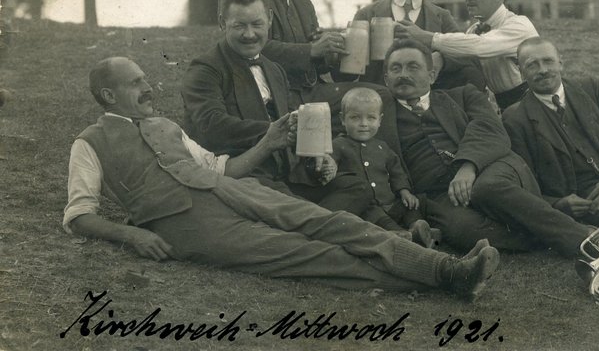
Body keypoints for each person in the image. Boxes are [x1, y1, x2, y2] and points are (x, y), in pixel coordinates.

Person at [64, 56, 500, 299]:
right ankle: (444, 277)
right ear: (109, 94)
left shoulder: (165, 126)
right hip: (183, 223)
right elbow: (79, 215)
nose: (149, 88)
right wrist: (132, 236)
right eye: (137, 82)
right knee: (308, 254)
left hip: (230, 190)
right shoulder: (90, 142)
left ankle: (447, 267)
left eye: (145, 79)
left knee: (327, 221)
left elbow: (220, 168)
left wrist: (269, 142)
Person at [352, 39, 592, 258]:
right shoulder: (376, 117)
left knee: (487, 188)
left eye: (413, 67)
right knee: (462, 230)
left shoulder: (463, 95)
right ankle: (549, 234)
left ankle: (585, 240)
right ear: (386, 80)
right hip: (438, 194)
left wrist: (468, 166)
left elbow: (490, 128)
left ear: (432, 75)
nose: (404, 74)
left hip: (491, 167)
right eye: (396, 69)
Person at [181, 0, 371, 217]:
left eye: (257, 24)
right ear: (222, 23)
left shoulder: (275, 70)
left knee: (358, 188)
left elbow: (291, 122)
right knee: (304, 209)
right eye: (239, 26)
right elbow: (211, 125)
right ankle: (313, 222)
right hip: (246, 176)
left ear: (269, 20)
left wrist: (318, 155)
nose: (249, 34)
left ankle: (306, 223)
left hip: (286, 175)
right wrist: (272, 132)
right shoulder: (205, 69)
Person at [502, 37, 599, 225]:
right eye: (532, 65)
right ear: (521, 73)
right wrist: (558, 204)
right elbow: (524, 183)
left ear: (560, 63)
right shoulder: (515, 118)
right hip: (589, 201)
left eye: (548, 61)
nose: (543, 70)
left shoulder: (591, 88)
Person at [396, 0, 539, 109]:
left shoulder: (519, 25)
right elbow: (464, 53)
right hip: (505, 107)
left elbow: (480, 46)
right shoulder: (474, 31)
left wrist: (427, 37)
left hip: (535, 103)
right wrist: (440, 58)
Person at [352, 0, 485, 90]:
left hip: (427, 97)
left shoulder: (441, 16)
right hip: (380, 96)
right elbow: (350, 70)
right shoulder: (367, 14)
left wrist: (441, 59)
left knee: (471, 74)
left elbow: (467, 54)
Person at [330, 87, 439, 248]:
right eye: (355, 118)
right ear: (343, 119)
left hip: (389, 202)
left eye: (371, 118)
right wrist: (329, 164)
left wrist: (404, 191)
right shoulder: (339, 145)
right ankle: (403, 236)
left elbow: (396, 172)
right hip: (367, 206)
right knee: (375, 216)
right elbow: (329, 164)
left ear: (380, 120)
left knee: (410, 206)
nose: (363, 124)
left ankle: (419, 227)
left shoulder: (383, 147)